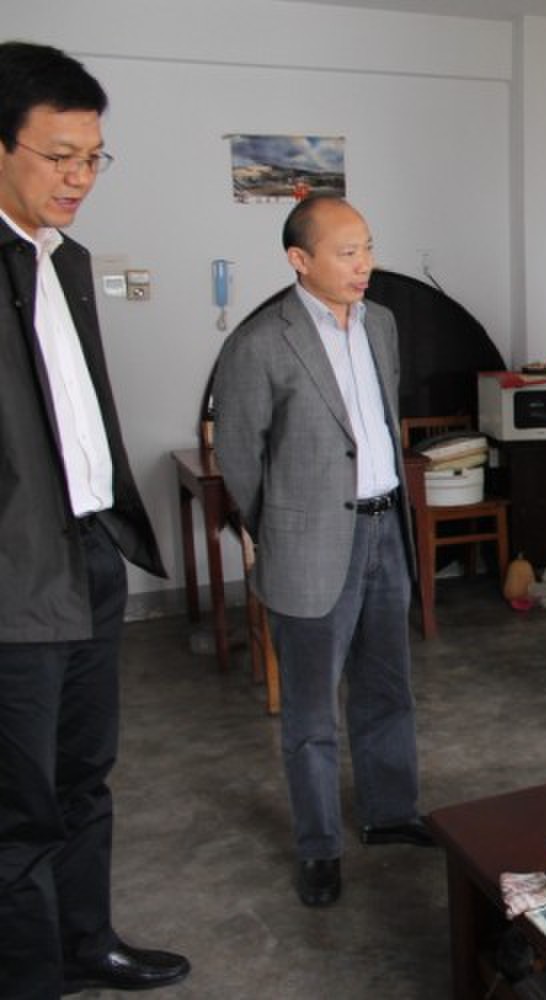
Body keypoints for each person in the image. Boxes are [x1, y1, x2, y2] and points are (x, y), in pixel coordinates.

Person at [0, 40, 191, 996]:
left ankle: (88, 943)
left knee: (84, 776)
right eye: (59, 155)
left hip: (88, 552)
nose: (80, 176)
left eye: (93, 157)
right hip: (13, 577)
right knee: (17, 808)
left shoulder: (60, 260)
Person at [213, 194, 431, 909]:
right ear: (299, 260)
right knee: (311, 715)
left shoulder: (381, 324)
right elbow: (239, 457)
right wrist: (280, 529)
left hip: (385, 528)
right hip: (308, 545)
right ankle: (318, 847)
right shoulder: (259, 342)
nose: (364, 264)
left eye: (367, 248)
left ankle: (390, 811)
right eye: (347, 252)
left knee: (387, 687)